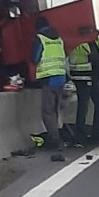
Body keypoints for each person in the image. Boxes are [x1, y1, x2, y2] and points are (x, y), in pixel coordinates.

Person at [33, 16, 67, 151]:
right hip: (61, 78)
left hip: (48, 79)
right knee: (54, 111)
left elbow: (35, 57)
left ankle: (55, 140)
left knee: (47, 112)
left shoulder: (40, 38)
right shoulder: (59, 39)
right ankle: (57, 136)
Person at [67, 32, 99, 145]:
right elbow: (75, 59)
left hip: (94, 77)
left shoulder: (96, 42)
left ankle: (97, 132)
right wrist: (92, 58)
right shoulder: (79, 43)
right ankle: (80, 134)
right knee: (83, 106)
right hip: (82, 77)